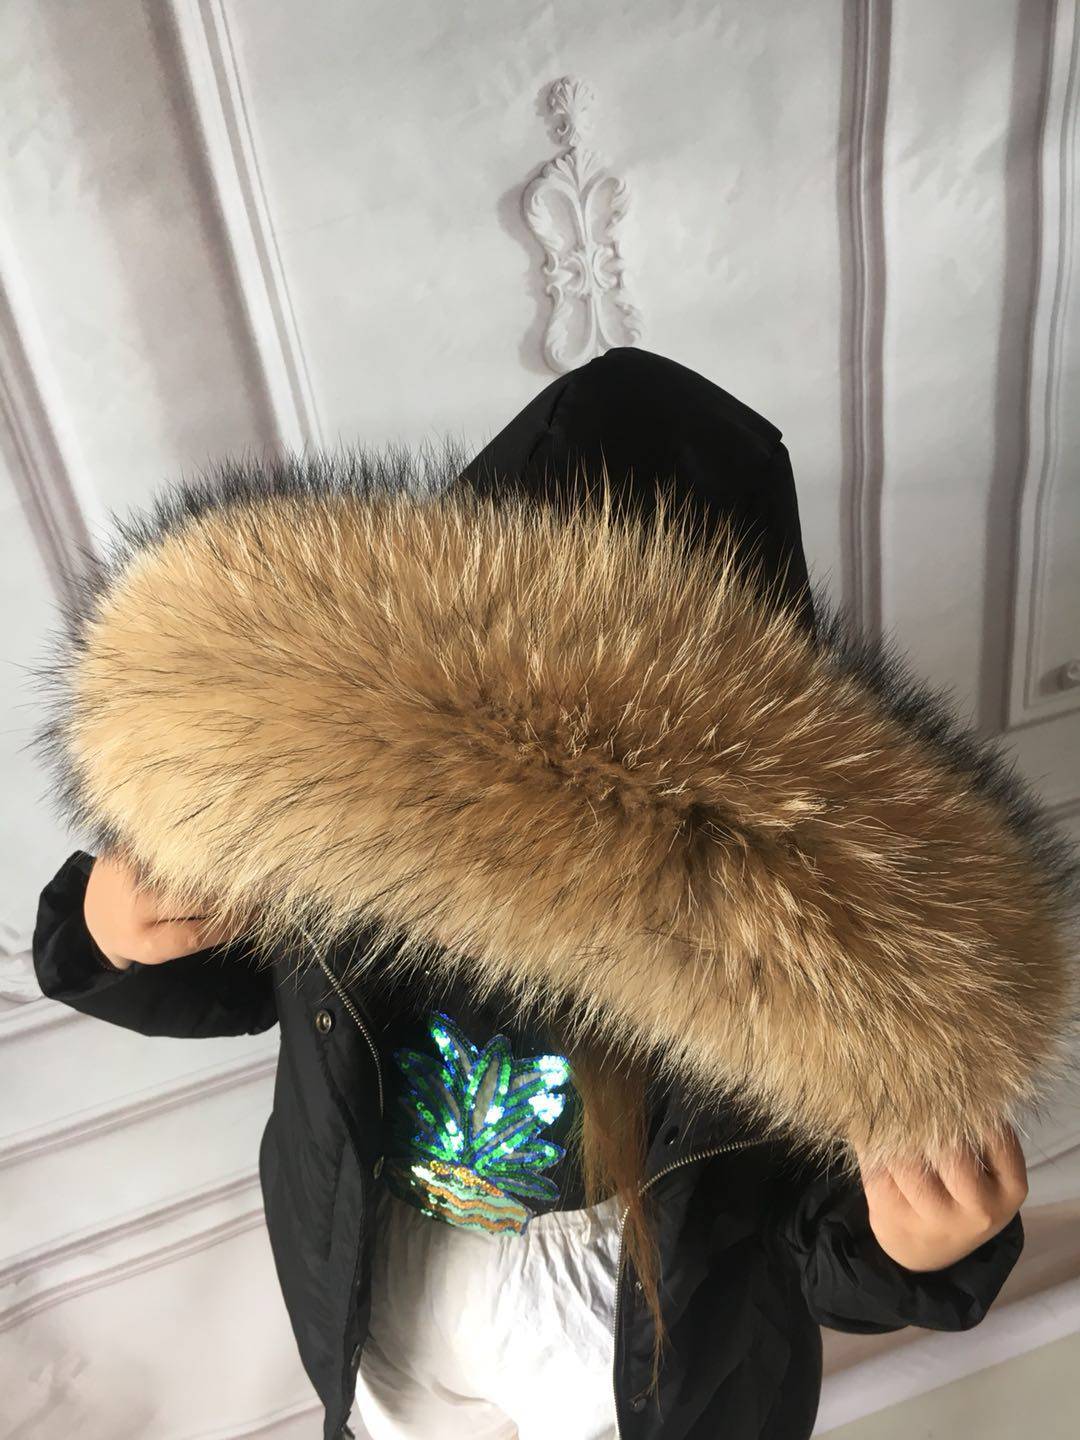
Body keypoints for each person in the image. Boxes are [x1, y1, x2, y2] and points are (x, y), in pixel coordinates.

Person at [30, 347, 1075, 1440]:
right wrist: (103, 930)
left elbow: (808, 1239)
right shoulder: (341, 827)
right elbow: (230, 973)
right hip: (379, 1280)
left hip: (628, 1315)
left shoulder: (777, 954)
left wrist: (920, 1252)